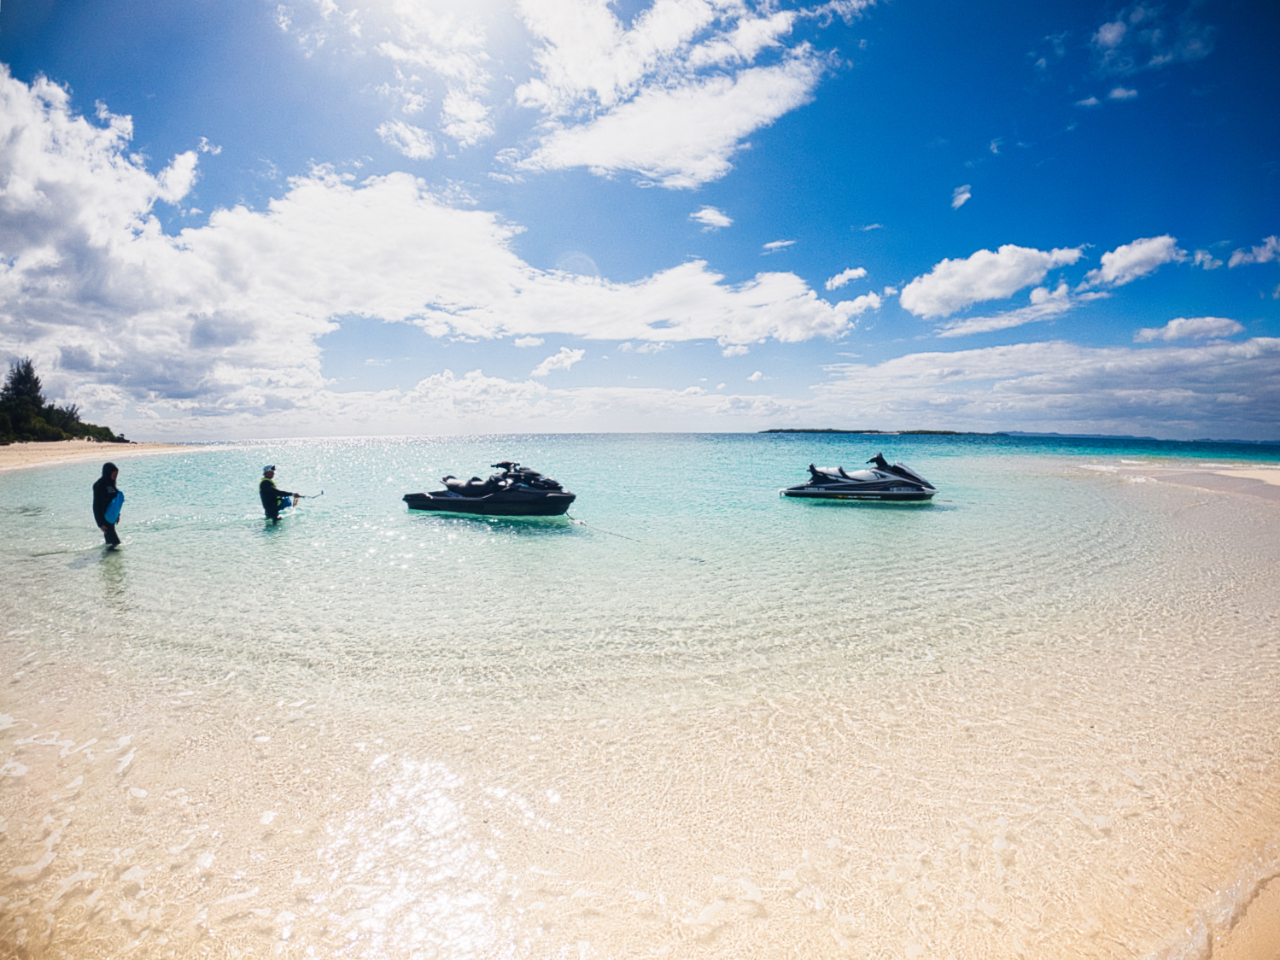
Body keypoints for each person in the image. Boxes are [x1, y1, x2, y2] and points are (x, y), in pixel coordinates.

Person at [92, 461, 122, 548]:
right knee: (116, 544)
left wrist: (117, 515)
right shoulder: (99, 485)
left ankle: (107, 556)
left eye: (116, 474)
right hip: (104, 519)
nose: (115, 476)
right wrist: (100, 524)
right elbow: (96, 506)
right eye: (113, 474)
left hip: (111, 517)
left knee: (111, 544)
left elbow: (115, 502)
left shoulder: (112, 484)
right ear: (108, 473)